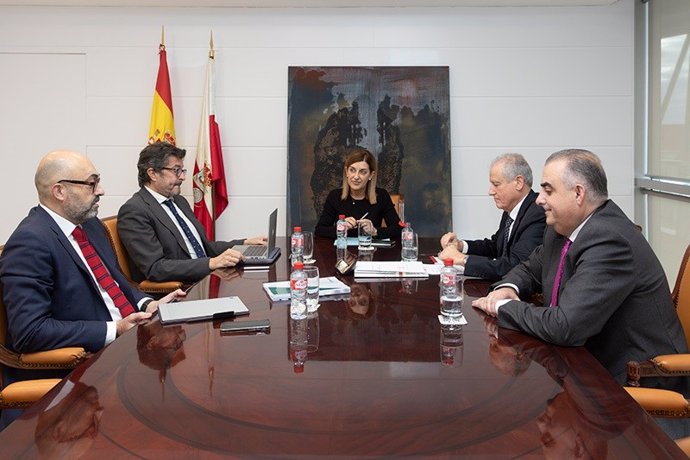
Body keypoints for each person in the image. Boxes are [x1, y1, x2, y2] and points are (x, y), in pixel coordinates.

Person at [0, 151, 184, 427]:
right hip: (81, 369)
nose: (101, 191)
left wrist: (147, 304)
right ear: (59, 191)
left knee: (182, 385)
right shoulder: (30, 242)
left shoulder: (90, 225)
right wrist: (115, 329)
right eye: (92, 183)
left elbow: (119, 284)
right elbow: (30, 332)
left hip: (128, 345)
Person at [472, 149, 687, 384]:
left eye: (548, 190)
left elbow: (565, 326)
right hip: (580, 364)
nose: (538, 199)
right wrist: (510, 286)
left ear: (578, 194)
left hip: (634, 380)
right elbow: (529, 268)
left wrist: (503, 306)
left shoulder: (610, 240)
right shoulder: (560, 229)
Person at [117, 142, 267, 283]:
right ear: (153, 174)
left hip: (206, 279)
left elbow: (205, 248)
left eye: (182, 170)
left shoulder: (179, 201)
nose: (182, 177)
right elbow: (156, 268)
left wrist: (244, 243)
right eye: (176, 170)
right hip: (180, 290)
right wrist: (211, 263)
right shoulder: (134, 211)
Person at [439, 153, 545, 280]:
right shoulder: (512, 209)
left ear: (518, 182)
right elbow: (496, 247)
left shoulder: (537, 213)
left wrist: (463, 259)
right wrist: (461, 245)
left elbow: (517, 266)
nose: (491, 191)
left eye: (496, 184)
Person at [315, 147, 402, 240]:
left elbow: (398, 230)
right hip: (342, 252)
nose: (356, 177)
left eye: (362, 172)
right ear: (346, 172)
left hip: (371, 252)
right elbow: (319, 230)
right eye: (352, 170)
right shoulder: (335, 196)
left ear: (371, 175)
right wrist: (340, 228)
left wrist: (374, 231)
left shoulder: (381, 196)